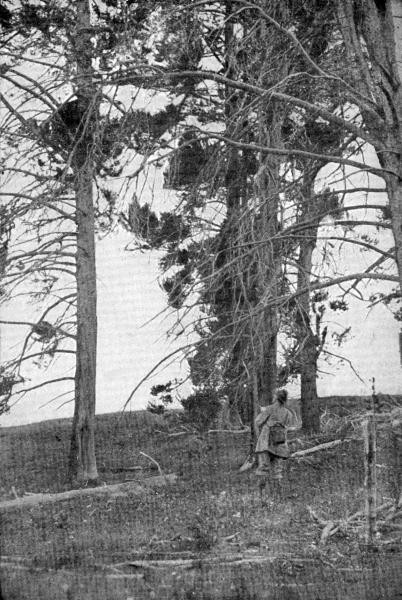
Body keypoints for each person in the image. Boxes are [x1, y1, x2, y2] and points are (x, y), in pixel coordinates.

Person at [254, 389, 294, 479]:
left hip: (266, 441)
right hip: (280, 443)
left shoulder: (269, 409)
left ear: (276, 398)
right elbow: (287, 426)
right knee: (277, 469)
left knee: (263, 467)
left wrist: (262, 413)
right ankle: (277, 486)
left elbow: (258, 422)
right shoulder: (288, 413)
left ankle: (263, 486)